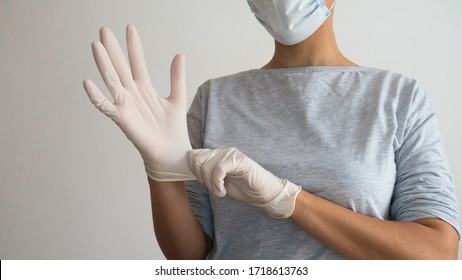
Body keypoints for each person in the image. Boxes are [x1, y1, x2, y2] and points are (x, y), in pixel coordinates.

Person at [83, 0, 460, 259]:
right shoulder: (215, 98)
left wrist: (287, 199)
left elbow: (438, 253)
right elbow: (189, 256)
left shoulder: (397, 98)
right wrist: (161, 171)